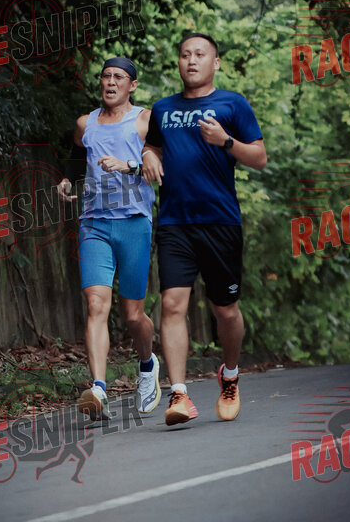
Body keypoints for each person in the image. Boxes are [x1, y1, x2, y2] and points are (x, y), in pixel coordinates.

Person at [141, 34, 267, 426]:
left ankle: (229, 375)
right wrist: (148, 154)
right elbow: (154, 147)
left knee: (225, 310)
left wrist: (225, 141)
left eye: (200, 54)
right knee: (172, 304)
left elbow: (259, 158)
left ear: (215, 62)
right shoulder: (163, 109)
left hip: (220, 221)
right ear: (178, 62)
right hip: (174, 222)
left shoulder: (232, 104)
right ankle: (179, 394)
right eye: (185, 54)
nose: (191, 60)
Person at [57, 56, 161, 421]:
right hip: (94, 224)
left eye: (118, 77)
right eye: (105, 76)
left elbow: (161, 165)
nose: (111, 82)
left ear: (132, 85)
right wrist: (67, 180)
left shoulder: (145, 120)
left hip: (134, 223)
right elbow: (76, 154)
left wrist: (128, 165)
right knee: (95, 305)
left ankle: (147, 365)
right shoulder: (85, 123)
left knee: (133, 316)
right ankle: (98, 388)